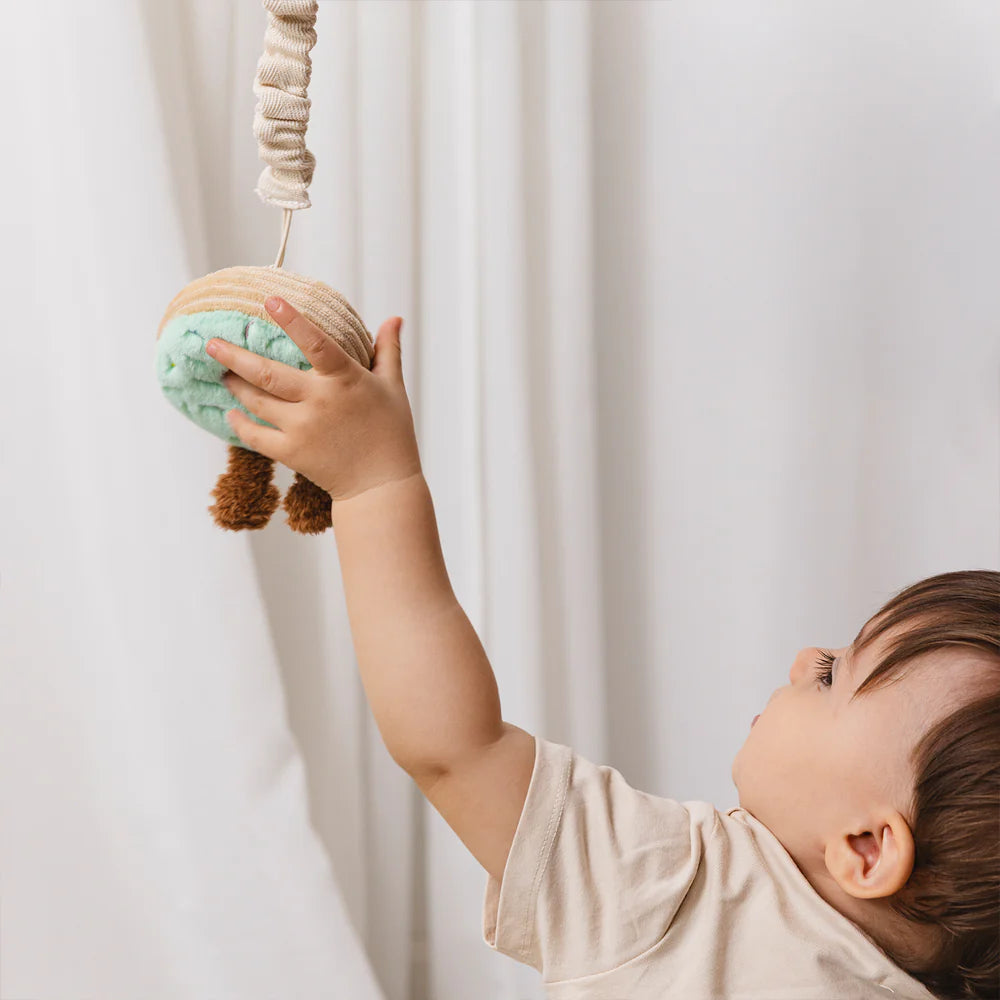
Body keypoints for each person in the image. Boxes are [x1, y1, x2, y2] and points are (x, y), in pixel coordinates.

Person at [204, 296, 1000, 999]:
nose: (802, 660)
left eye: (833, 676)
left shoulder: (679, 893)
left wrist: (375, 483)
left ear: (866, 847)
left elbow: (455, 747)